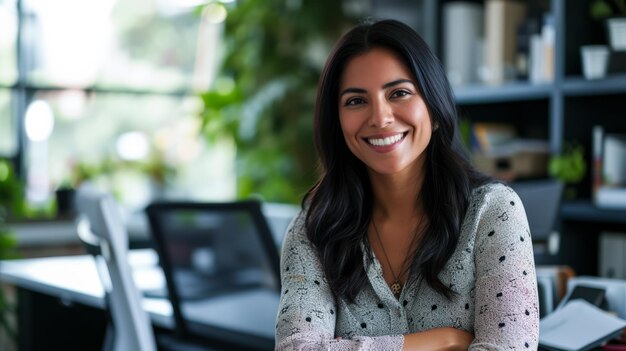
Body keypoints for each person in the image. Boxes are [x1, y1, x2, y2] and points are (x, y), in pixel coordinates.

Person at [275, 19, 539, 350]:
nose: (380, 117)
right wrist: (444, 340)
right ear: (336, 121)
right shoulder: (314, 228)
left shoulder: (493, 212)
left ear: (434, 105)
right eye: (356, 101)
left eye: (399, 93)